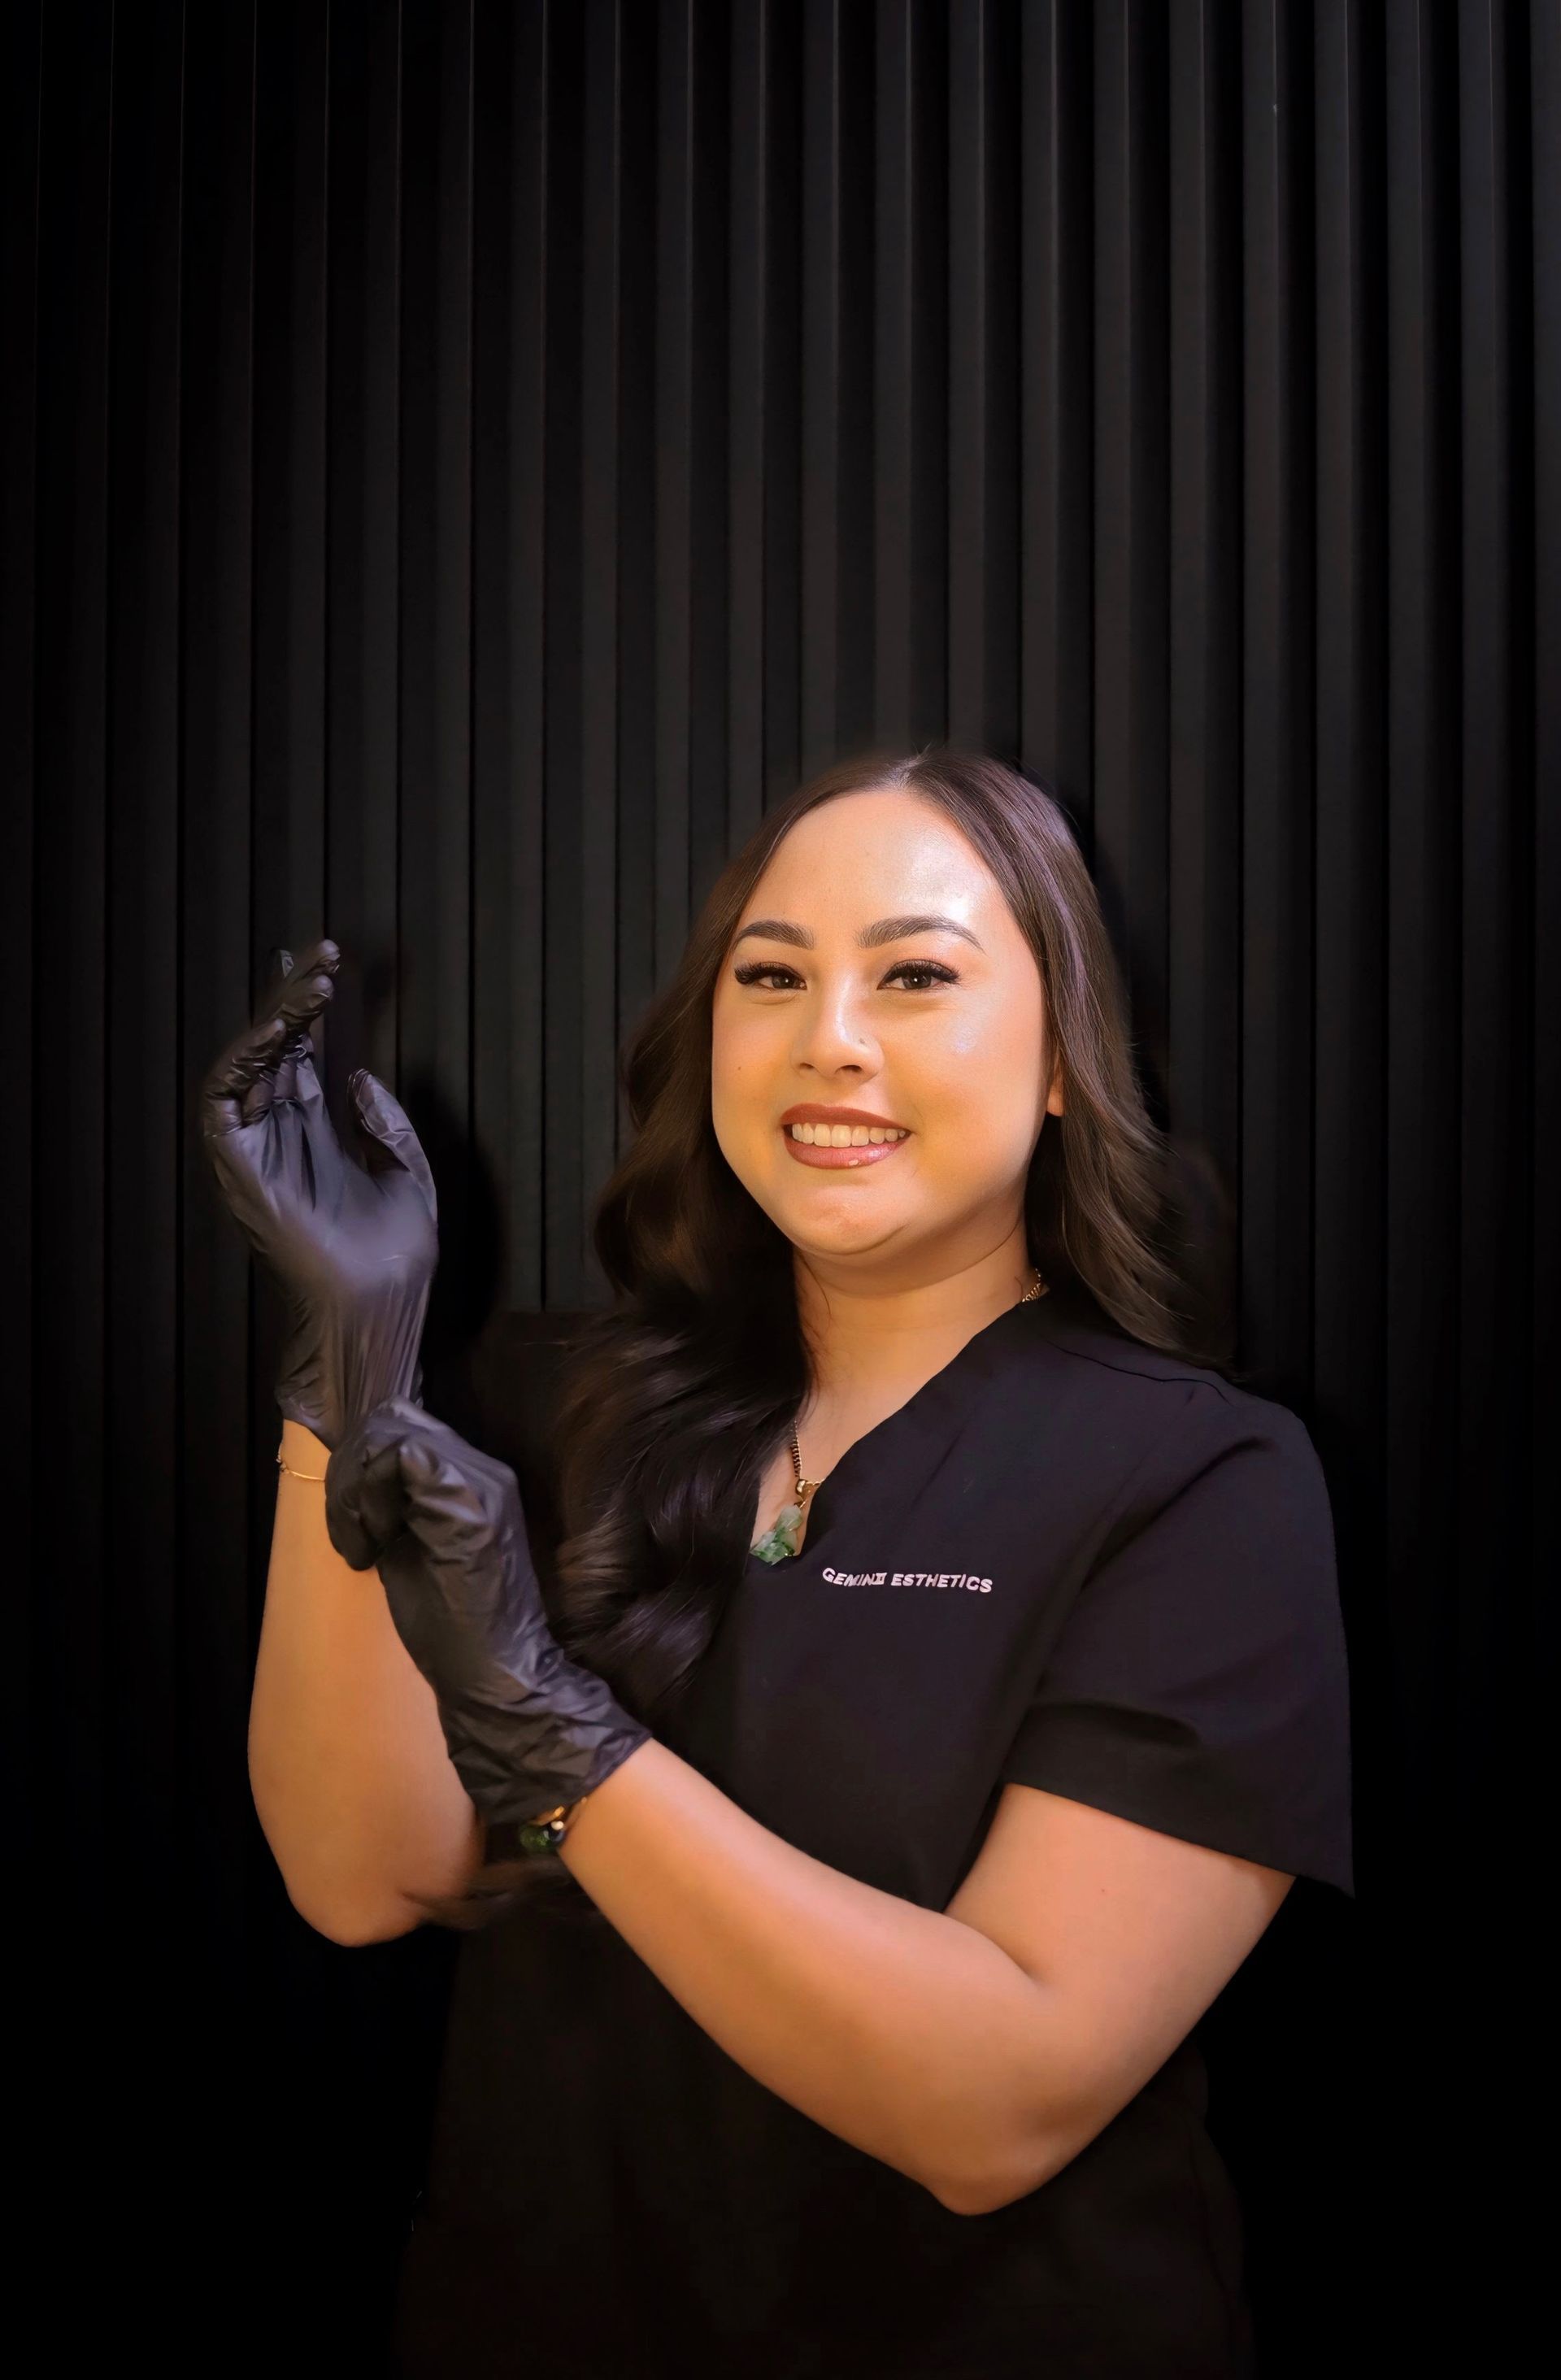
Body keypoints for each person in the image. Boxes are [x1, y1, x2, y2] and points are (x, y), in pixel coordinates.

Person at [202, 748, 1353, 2380]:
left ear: (1057, 1065)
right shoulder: (553, 1410)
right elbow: (359, 1874)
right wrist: (350, 1382)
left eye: (916, 974)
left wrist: (550, 1726)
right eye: (772, 975)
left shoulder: (1202, 1482)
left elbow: (1000, 2103)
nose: (831, 1037)